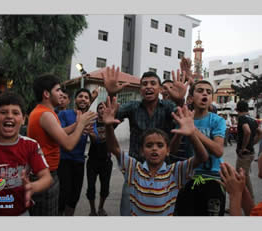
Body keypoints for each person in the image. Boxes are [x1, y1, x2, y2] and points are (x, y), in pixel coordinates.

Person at [101, 65, 190, 215]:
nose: (148, 87)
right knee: (126, 211)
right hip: (135, 169)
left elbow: (183, 118)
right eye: (144, 84)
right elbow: (110, 117)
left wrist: (181, 101)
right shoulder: (133, 107)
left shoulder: (168, 107)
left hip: (164, 170)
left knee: (161, 211)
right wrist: (110, 94)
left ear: (160, 89)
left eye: (153, 83)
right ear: (140, 88)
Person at [102, 96, 208, 215]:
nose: (154, 148)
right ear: (141, 151)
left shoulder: (175, 172)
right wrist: (108, 126)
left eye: (160, 145)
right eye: (149, 145)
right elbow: (114, 148)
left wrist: (192, 133)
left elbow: (202, 157)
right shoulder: (134, 168)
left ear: (168, 150)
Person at [27, 74, 97, 216]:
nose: (62, 94)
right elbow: (68, 144)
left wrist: (77, 124)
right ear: (46, 94)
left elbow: (59, 132)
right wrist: (82, 124)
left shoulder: (45, 112)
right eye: (58, 90)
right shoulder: (46, 115)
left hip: (45, 171)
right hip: (44, 174)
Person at [173, 80, 226, 216]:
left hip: (213, 179)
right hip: (188, 179)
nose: (205, 94)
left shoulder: (217, 121)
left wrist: (193, 131)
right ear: (191, 98)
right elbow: (171, 151)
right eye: (200, 90)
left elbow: (218, 151)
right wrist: (180, 130)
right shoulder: (184, 118)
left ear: (211, 99)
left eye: (208, 92)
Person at [57, 88, 98, 216]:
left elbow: (96, 139)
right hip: (63, 160)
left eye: (86, 97)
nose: (83, 99)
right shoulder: (64, 114)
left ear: (89, 101)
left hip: (79, 161)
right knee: (62, 195)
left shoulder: (90, 117)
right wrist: (78, 125)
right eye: (80, 96)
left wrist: (91, 133)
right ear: (75, 99)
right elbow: (60, 133)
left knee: (74, 196)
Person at [86, 102, 113, 216]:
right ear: (98, 111)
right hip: (92, 161)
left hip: (106, 162)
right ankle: (92, 210)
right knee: (91, 188)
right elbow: (94, 140)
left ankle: (100, 208)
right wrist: (92, 137)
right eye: (100, 108)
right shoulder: (93, 124)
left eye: (104, 107)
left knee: (105, 188)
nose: (102, 109)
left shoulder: (110, 123)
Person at [235, 100, 262, 200]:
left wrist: (243, 148)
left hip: (244, 154)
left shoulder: (242, 118)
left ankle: (248, 202)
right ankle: (247, 201)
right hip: (250, 153)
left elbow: (247, 131)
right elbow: (260, 132)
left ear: (237, 109)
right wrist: (252, 143)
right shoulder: (253, 119)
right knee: (244, 177)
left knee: (242, 178)